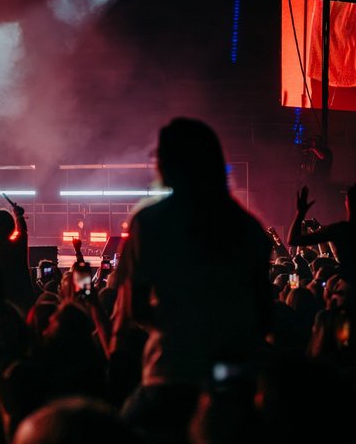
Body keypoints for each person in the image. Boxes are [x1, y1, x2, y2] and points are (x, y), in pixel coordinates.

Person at [112, 117, 273, 444]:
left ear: (171, 162)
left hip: (171, 373)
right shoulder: (249, 227)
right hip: (234, 380)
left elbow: (135, 310)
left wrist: (183, 324)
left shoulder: (150, 222)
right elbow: (264, 316)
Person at [289, 183, 356, 286]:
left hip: (349, 290)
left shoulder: (340, 229)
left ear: (347, 202)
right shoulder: (339, 229)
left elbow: (294, 240)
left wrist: (300, 212)